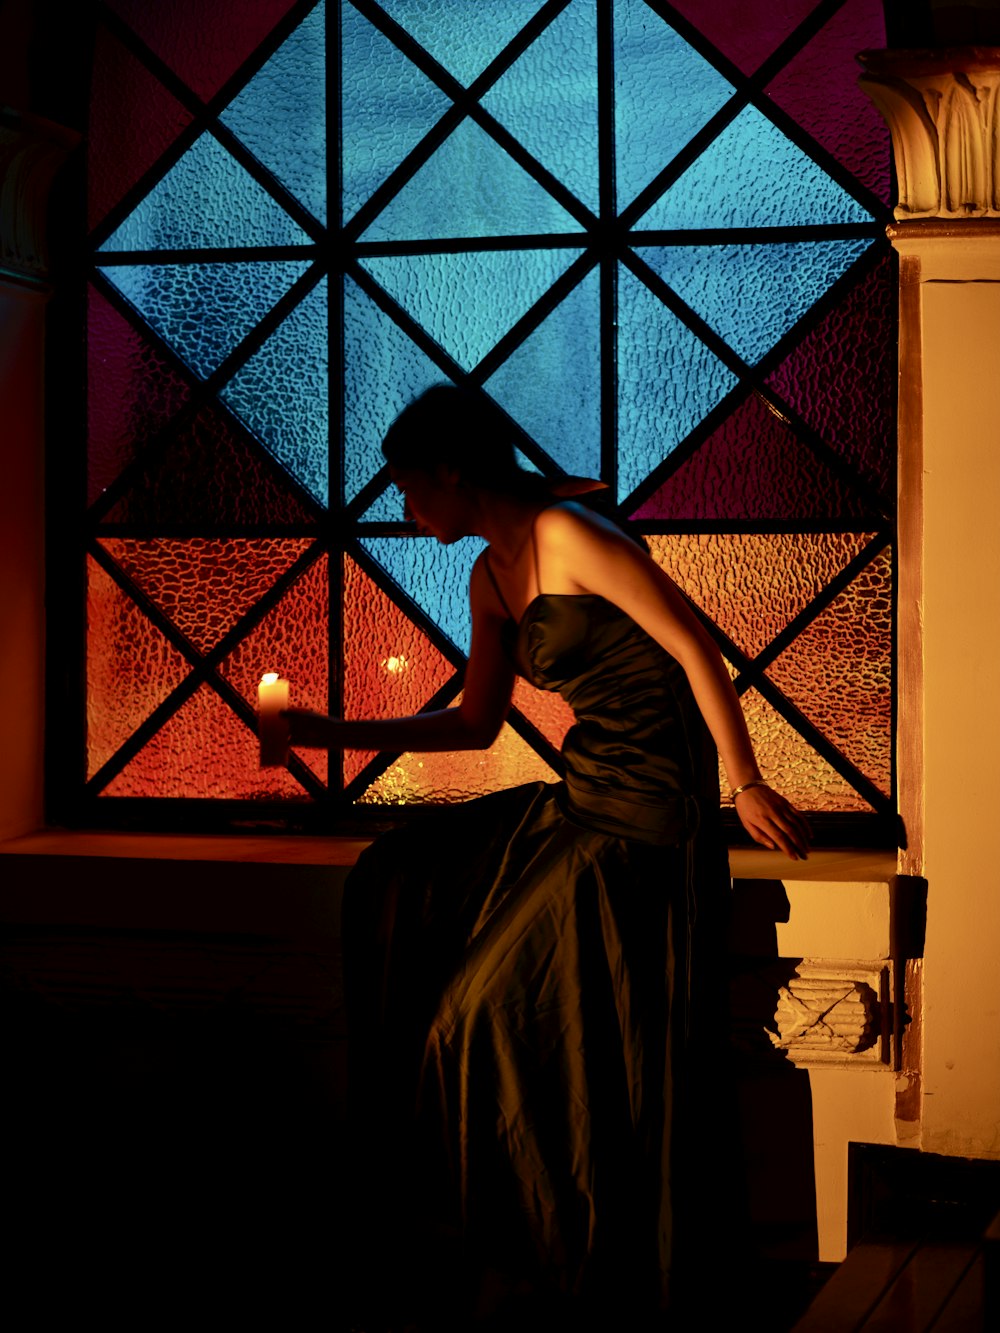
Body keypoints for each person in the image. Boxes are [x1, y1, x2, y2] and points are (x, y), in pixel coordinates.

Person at [284, 385, 810, 1330]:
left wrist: (744, 782)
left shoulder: (568, 534)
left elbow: (695, 644)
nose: (405, 512)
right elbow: (474, 718)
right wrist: (335, 734)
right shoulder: (489, 578)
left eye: (408, 489)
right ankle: (534, 1245)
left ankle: (545, 1260)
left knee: (472, 1015)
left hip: (651, 812)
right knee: (397, 887)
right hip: (583, 797)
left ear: (451, 469)